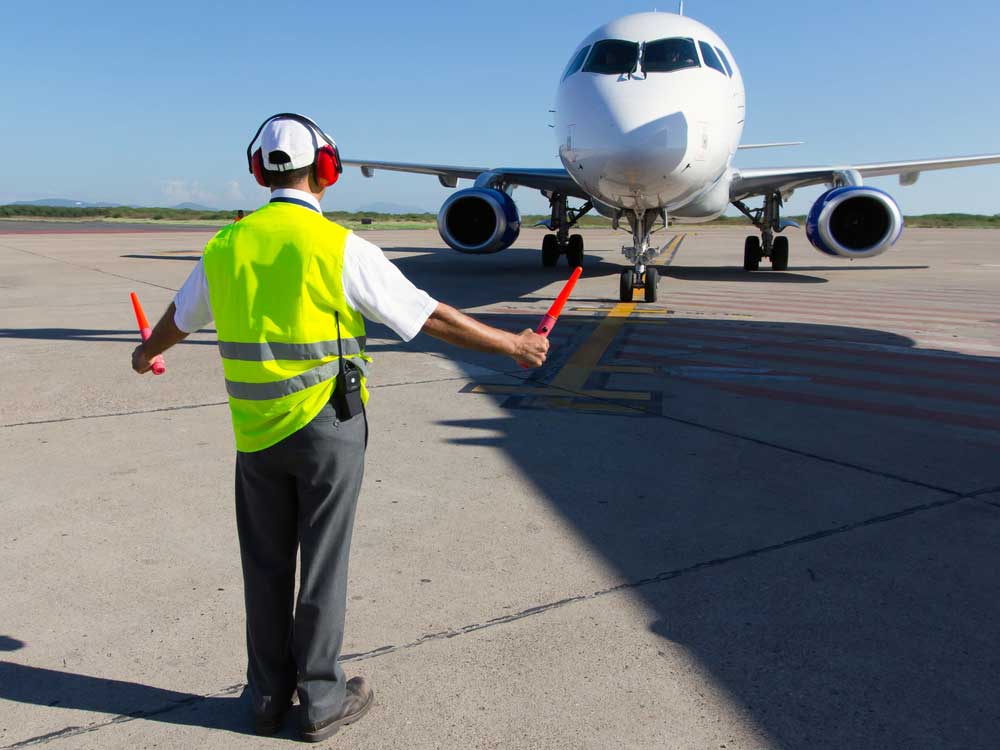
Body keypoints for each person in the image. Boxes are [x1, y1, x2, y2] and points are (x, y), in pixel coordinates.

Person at [131, 113, 549, 742]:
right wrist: (512, 345)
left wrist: (143, 354)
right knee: (322, 563)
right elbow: (427, 317)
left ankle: (268, 695)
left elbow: (177, 318)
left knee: (265, 564)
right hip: (328, 426)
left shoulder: (226, 246)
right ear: (326, 169)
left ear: (257, 172)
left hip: (255, 433)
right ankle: (322, 700)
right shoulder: (339, 247)